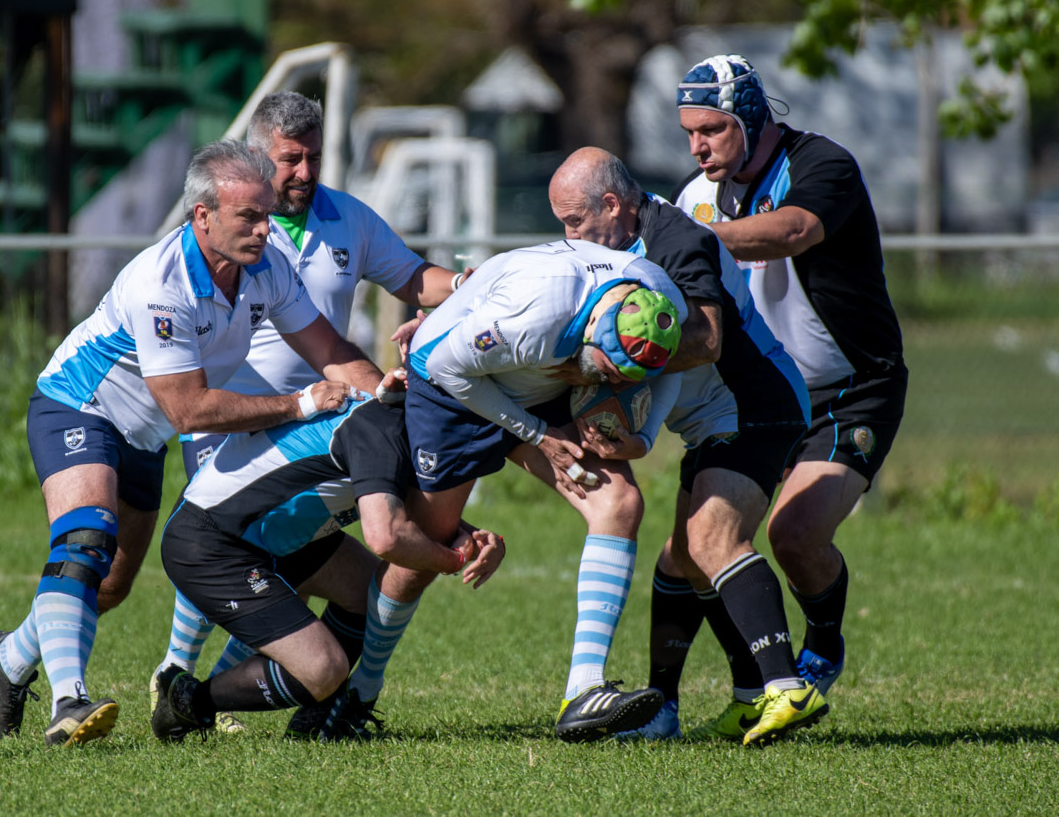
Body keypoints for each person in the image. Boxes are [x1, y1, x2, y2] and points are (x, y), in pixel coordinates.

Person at [0, 138, 385, 746]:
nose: (264, 228)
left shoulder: (265, 264)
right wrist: (299, 403)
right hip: (78, 405)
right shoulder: (160, 282)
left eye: (267, 213)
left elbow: (329, 351)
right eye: (248, 215)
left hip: (145, 436)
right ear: (204, 216)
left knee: (109, 587)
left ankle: (9, 659)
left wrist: (387, 408)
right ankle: (69, 703)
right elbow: (190, 409)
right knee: (85, 539)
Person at [150, 91, 469, 736]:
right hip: (236, 417)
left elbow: (411, 279)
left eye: (313, 158)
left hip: (329, 418)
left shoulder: (348, 219)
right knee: (227, 532)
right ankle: (178, 671)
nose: (303, 172)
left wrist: (475, 289)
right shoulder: (227, 235)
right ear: (254, 158)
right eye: (289, 159)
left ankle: (247, 686)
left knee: (296, 557)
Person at [323, 239, 685, 744]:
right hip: (452, 385)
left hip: (539, 380)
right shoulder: (540, 314)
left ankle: (583, 691)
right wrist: (540, 435)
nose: (610, 384)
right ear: (593, 330)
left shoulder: (663, 300)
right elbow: (450, 365)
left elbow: (673, 369)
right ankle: (359, 694)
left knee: (620, 502)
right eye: (605, 373)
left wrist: (643, 439)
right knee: (421, 551)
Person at [549, 147, 821, 747]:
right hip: (712, 420)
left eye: (574, 222)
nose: (568, 236)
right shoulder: (613, 242)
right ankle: (682, 706)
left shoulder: (676, 239)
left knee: (711, 542)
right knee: (681, 559)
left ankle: (786, 684)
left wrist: (606, 364)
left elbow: (708, 338)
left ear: (613, 205)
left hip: (759, 407)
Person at [671, 54, 908, 737]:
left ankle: (822, 644)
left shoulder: (822, 165)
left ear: (750, 116)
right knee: (693, 548)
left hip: (852, 388)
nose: (698, 145)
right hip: (763, 399)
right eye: (689, 131)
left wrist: (695, 242)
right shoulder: (694, 198)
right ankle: (712, 692)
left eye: (712, 128)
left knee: (795, 534)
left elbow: (794, 230)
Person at [149, 393, 505, 742]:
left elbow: (408, 508)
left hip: (274, 535)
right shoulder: (379, 430)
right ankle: (185, 700)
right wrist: (454, 559)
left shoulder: (398, 422)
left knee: (368, 594)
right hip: (212, 541)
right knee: (323, 669)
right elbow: (386, 537)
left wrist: (470, 535)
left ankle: (319, 714)